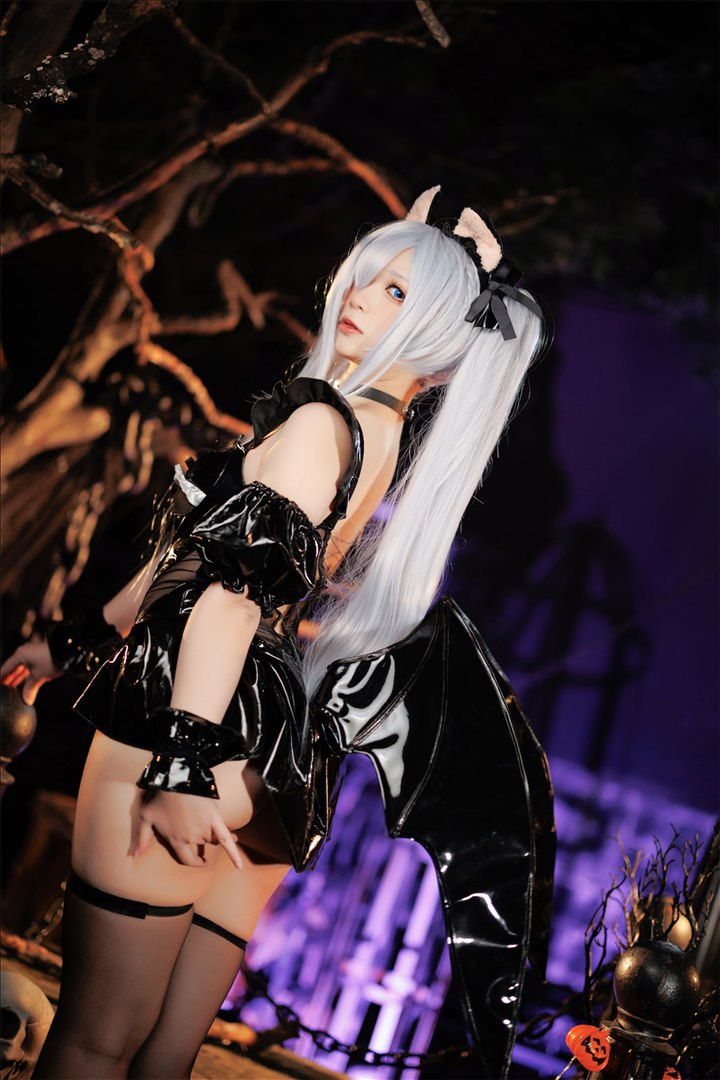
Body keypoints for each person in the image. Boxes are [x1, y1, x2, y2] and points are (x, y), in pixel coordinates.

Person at [1, 186, 555, 1080]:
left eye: (398, 293)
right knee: (164, 1055)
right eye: (368, 275)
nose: (359, 296)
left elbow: (226, 598)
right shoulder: (378, 433)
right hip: (273, 763)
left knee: (97, 1041)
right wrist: (70, 644)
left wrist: (182, 764)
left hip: (192, 726)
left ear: (441, 340)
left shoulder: (321, 424)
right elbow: (201, 560)